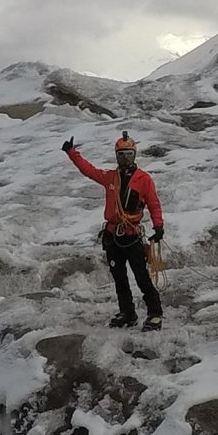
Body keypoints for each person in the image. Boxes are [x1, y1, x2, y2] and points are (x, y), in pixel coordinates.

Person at [62, 132, 165, 330]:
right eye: (121, 155)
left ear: (134, 155)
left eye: (128, 154)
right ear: (116, 156)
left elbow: (153, 203)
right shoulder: (110, 177)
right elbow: (89, 171)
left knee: (141, 276)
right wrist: (72, 153)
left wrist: (158, 225)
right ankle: (127, 312)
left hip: (132, 234)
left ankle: (154, 313)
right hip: (112, 236)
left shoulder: (144, 179)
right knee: (119, 278)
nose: (125, 158)